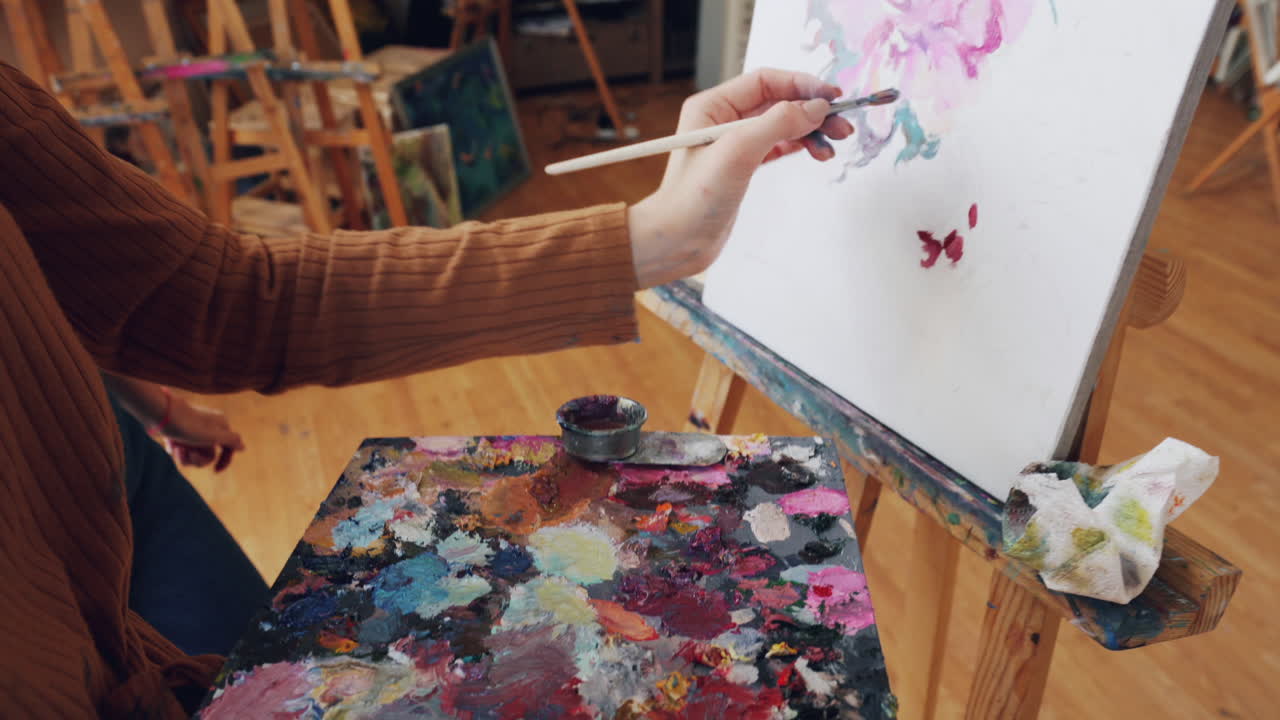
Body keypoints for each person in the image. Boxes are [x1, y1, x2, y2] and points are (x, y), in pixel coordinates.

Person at [0, 60, 853, 718]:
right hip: (62, 641)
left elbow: (206, 294)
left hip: (97, 472)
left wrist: (658, 237)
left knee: (252, 656)